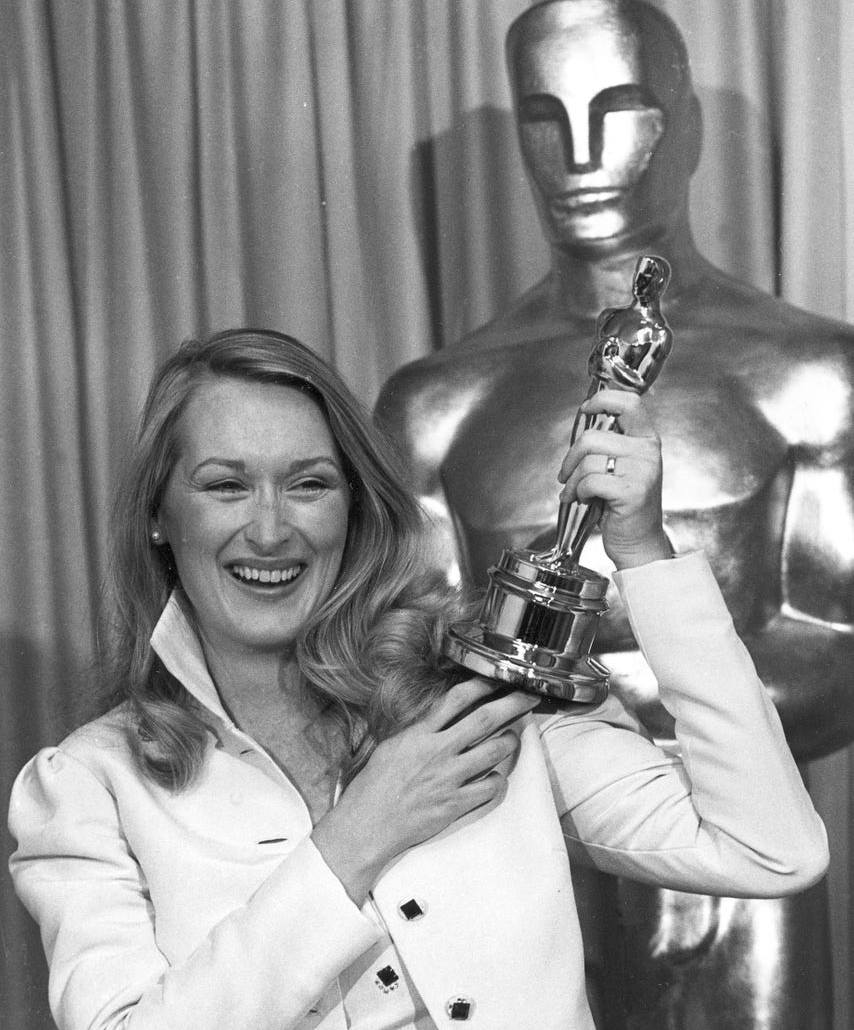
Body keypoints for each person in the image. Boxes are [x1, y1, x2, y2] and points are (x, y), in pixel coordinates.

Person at [8, 327, 827, 1030]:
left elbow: (770, 850)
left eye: (308, 484)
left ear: (354, 508)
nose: (270, 530)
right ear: (160, 515)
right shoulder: (88, 787)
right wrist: (358, 836)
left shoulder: (477, 698)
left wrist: (644, 552)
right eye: (226, 486)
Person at [375, 1, 854, 1025]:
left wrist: (620, 740)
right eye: (543, 116)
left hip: (732, 865)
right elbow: (409, 654)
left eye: (620, 107)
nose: (581, 154)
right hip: (503, 853)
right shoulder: (433, 402)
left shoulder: (813, 371)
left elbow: (840, 644)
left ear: (685, 125)